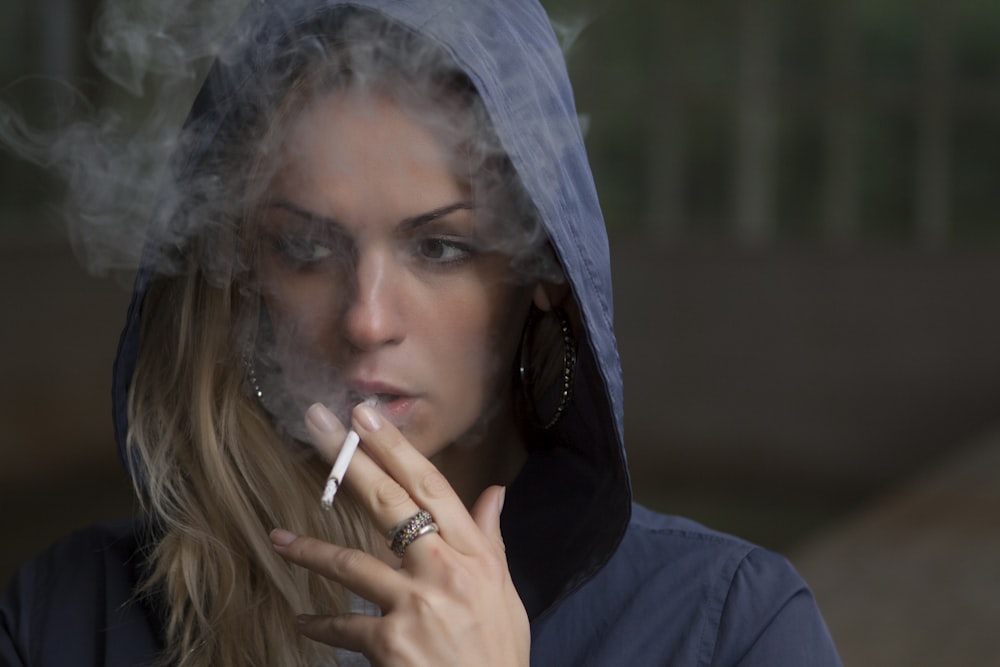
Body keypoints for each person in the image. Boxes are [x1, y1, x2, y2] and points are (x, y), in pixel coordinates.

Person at [0, 1, 842, 665]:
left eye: (439, 247)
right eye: (304, 247)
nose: (366, 319)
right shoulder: (63, 617)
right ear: (244, 277)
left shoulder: (732, 627)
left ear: (543, 274)